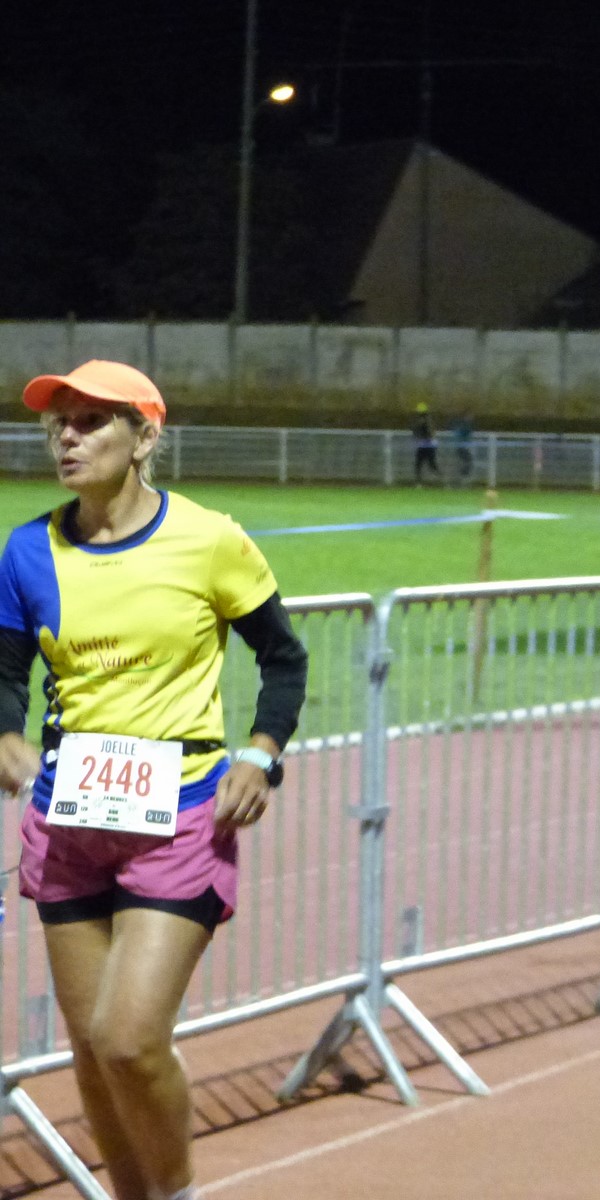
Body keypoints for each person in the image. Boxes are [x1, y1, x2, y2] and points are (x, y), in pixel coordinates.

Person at [0, 361, 308, 1200]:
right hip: (69, 820)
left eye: (91, 422)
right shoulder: (27, 550)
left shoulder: (208, 540)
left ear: (144, 438)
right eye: (59, 424)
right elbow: (5, 672)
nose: (67, 438)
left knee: (129, 1039)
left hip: (180, 817)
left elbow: (283, 658)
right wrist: (5, 736)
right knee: (91, 1051)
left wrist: (261, 753)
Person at [411, 401, 441, 484]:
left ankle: (418, 482)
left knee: (419, 464)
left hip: (425, 445)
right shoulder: (428, 420)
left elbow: (419, 432)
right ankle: (441, 479)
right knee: (431, 464)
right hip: (429, 445)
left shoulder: (423, 421)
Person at [450, 412, 475, 486]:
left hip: (460, 447)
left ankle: (462, 476)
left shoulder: (462, 426)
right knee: (468, 461)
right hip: (461, 447)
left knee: (467, 461)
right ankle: (463, 476)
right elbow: (465, 434)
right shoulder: (465, 426)